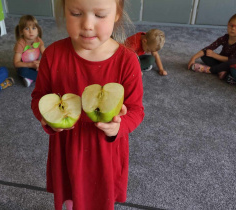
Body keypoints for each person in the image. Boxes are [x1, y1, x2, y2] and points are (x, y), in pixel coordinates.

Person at [31, 0, 144, 209]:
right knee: (73, 194)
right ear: (64, 10)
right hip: (67, 146)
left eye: (100, 15)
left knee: (99, 197)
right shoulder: (53, 55)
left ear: (117, 14)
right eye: (75, 13)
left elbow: (136, 110)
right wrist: (48, 120)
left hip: (104, 150)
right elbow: (39, 97)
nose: (87, 25)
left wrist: (120, 126)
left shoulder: (127, 60)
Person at [188, 12, 236, 80]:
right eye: (231, 25)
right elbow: (208, 48)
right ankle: (220, 70)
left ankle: (210, 70)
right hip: (222, 61)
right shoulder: (225, 38)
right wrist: (193, 58)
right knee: (205, 55)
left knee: (233, 62)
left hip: (235, 65)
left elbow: (232, 59)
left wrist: (214, 55)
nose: (233, 28)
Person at [13, 15, 45, 87]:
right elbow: (16, 63)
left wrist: (40, 63)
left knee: (49, 65)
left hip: (35, 64)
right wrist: (30, 65)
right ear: (21, 32)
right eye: (27, 28)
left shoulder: (38, 40)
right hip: (24, 66)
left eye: (34, 28)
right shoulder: (20, 43)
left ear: (37, 31)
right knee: (22, 71)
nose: (31, 31)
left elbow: (46, 55)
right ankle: (40, 77)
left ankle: (30, 78)